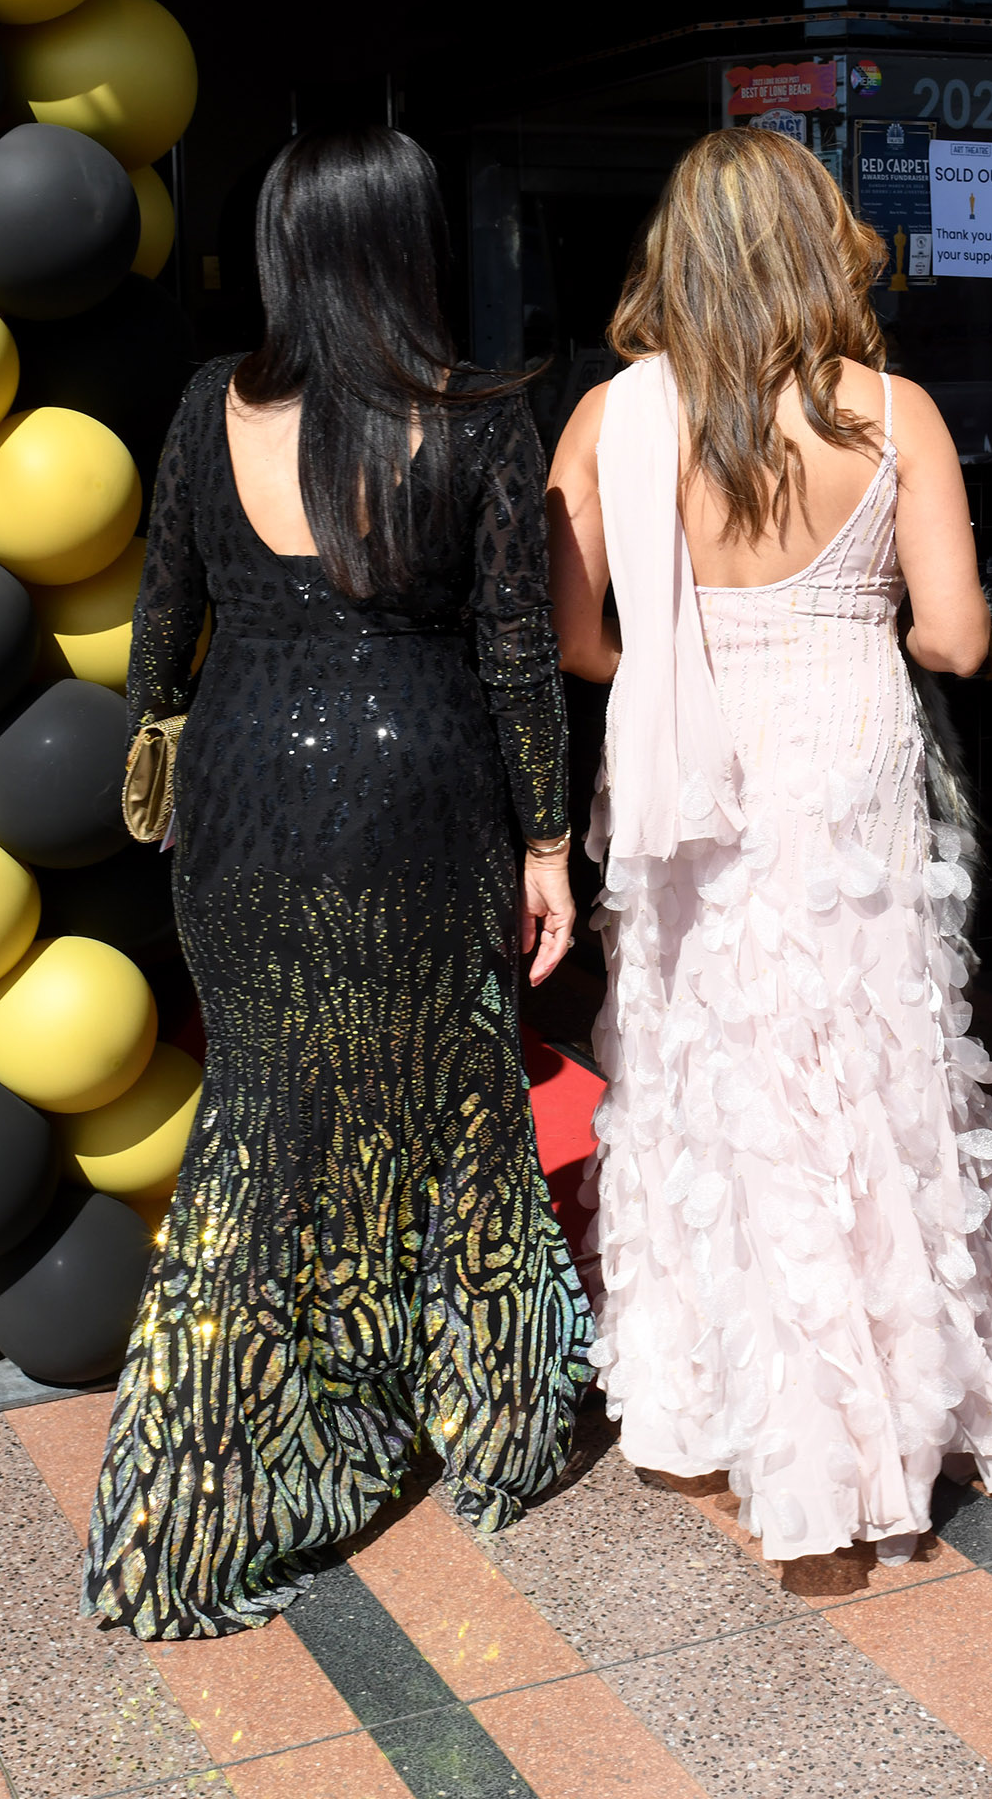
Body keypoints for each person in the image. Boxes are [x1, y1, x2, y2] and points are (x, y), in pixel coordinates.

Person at [83, 127, 593, 1639]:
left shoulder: (202, 408)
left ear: (286, 251)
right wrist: (551, 841)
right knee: (448, 1108)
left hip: (246, 796)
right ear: (409, 248)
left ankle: (200, 1489)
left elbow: (158, 624)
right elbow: (518, 657)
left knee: (265, 1126)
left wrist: (164, 772)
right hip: (428, 794)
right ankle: (477, 1420)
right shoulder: (486, 420)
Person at [546, 128, 992, 1576]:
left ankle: (703, 1407)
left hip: (683, 768)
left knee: (703, 1065)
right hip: (842, 760)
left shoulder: (613, 421)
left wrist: (694, 636)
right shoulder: (895, 416)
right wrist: (847, 616)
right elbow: (957, 638)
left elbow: (581, 641)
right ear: (822, 244)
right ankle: (867, 1426)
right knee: (855, 1072)